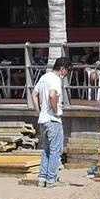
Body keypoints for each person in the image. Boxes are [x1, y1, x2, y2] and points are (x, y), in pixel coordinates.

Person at [33, 55, 68, 186]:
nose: (66, 74)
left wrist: (39, 111)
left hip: (43, 119)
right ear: (63, 69)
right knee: (55, 150)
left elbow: (34, 94)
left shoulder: (44, 77)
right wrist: (55, 111)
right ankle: (52, 179)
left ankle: (42, 177)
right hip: (53, 120)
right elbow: (52, 95)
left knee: (46, 149)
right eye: (67, 71)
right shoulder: (55, 79)